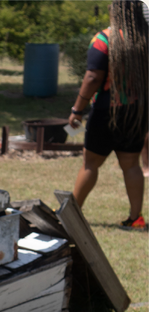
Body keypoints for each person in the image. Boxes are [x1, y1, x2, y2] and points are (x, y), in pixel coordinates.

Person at [69, 0, 148, 230]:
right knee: (131, 164)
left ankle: (72, 214)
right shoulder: (145, 39)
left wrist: (77, 109)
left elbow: (93, 77)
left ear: (116, 11)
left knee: (90, 164)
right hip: (137, 112)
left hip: (106, 111)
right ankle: (136, 219)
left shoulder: (104, 39)